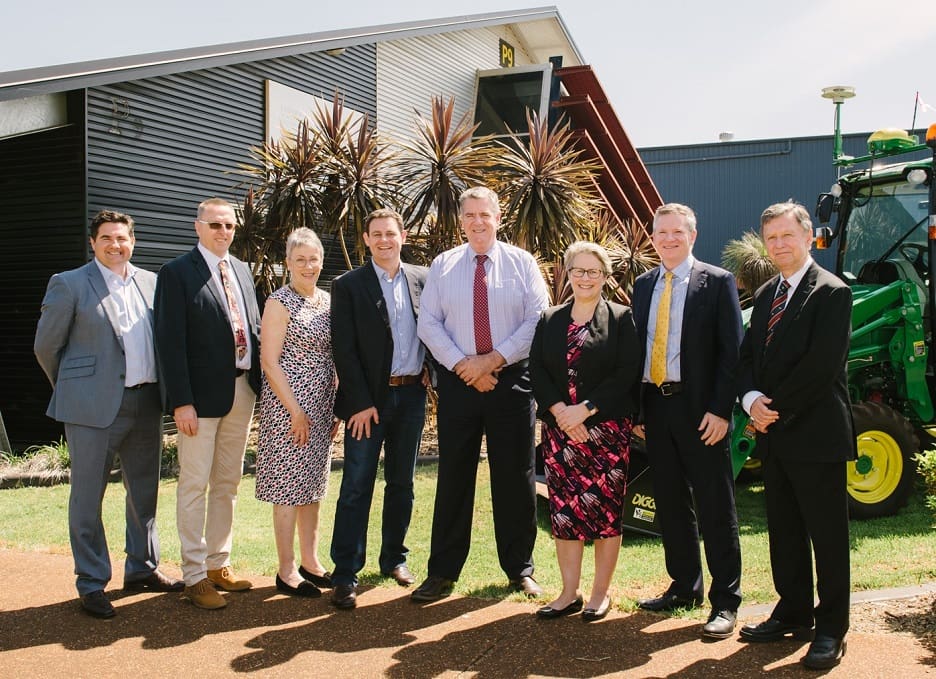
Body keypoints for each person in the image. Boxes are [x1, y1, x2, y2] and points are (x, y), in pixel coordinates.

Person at [34, 210, 183, 619]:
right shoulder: (69, 284)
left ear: (133, 240)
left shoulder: (152, 283)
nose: (116, 245)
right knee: (87, 498)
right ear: (93, 242)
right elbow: (46, 348)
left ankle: (142, 568)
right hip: (91, 409)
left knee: (144, 494)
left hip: (146, 402)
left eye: (123, 238)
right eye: (107, 238)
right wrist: (75, 389)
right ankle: (92, 581)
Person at [412, 186, 549, 602]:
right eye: (469, 215)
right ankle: (442, 572)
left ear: (497, 217)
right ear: (461, 220)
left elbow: (537, 320)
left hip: (510, 382)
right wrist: (464, 366)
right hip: (459, 382)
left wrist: (490, 362)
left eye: (484, 215)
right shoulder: (443, 265)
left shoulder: (522, 263)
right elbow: (428, 324)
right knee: (454, 476)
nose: (477, 222)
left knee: (516, 477)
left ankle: (519, 569)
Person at [737, 202, 853, 670]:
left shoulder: (832, 292)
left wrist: (770, 409)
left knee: (826, 536)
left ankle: (831, 629)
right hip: (774, 435)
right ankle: (793, 611)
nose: (779, 245)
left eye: (787, 236)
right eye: (772, 238)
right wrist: (749, 401)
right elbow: (747, 356)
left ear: (808, 237)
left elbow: (821, 368)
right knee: (783, 531)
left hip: (816, 434)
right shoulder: (766, 293)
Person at [631, 203, 743, 639]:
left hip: (702, 413)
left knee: (715, 506)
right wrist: (638, 411)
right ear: (653, 237)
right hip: (656, 409)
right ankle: (684, 586)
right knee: (671, 503)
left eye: (677, 232)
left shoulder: (717, 282)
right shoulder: (643, 285)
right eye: (661, 233)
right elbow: (636, 351)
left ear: (692, 236)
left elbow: (731, 354)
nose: (669, 239)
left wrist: (720, 410)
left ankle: (726, 600)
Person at [154, 197, 262, 610]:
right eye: (215, 225)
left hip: (241, 392)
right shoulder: (176, 273)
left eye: (229, 226)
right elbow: (169, 341)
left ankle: (219, 564)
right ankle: (195, 576)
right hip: (198, 400)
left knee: (228, 483)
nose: (223, 232)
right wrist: (181, 401)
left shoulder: (241, 270)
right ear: (197, 227)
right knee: (194, 484)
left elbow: (249, 328)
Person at [529, 241, 641, 622]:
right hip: (561, 435)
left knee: (605, 515)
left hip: (606, 434)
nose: (585, 278)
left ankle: (598, 595)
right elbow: (538, 371)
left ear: (605, 276)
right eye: (578, 270)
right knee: (565, 514)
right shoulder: (550, 319)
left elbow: (626, 373)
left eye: (593, 271)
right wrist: (562, 413)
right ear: (567, 274)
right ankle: (567, 593)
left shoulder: (622, 318)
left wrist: (585, 411)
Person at [329, 209, 429, 610]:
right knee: (356, 485)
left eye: (391, 233)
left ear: (402, 236)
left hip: (411, 397)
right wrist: (359, 403)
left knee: (402, 484)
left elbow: (436, 328)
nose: (385, 240)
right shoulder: (348, 285)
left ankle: (395, 560)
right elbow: (344, 349)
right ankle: (345, 573)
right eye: (377, 235)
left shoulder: (423, 279)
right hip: (368, 403)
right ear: (366, 240)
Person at [256, 227, 337, 598]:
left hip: (322, 405)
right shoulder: (279, 301)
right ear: (288, 262)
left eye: (313, 259)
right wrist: (295, 412)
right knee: (288, 487)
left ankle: (311, 561)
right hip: (289, 406)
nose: (308, 266)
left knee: (312, 486)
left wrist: (334, 405)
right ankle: (286, 570)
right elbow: (269, 362)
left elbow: (333, 355)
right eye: (300, 259)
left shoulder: (326, 301)